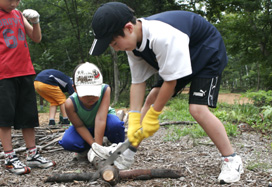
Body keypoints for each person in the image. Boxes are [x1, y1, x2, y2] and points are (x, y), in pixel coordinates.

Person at [89, 2, 244, 184]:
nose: (115, 48)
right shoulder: (133, 46)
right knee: (150, 98)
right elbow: (138, 83)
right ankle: (128, 152)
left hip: (206, 52)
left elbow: (171, 81)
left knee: (197, 109)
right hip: (182, 55)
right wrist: (135, 118)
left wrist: (154, 115)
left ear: (129, 28)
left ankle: (231, 159)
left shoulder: (162, 36)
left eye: (115, 43)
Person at [0, 1, 55, 175]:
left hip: (24, 70)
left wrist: (36, 21)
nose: (14, 3)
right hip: (3, 73)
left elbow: (36, 38)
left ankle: (33, 153)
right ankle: (9, 158)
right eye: (10, 0)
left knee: (28, 115)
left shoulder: (17, 14)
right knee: (5, 117)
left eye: (17, 0)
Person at [58, 62, 136, 169]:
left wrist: (98, 148)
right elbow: (79, 126)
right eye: (86, 94)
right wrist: (95, 147)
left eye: (94, 93)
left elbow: (100, 119)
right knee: (68, 142)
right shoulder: (70, 104)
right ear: (75, 88)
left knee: (115, 125)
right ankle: (87, 148)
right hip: (84, 127)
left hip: (104, 121)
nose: (91, 97)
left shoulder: (105, 90)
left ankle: (116, 146)